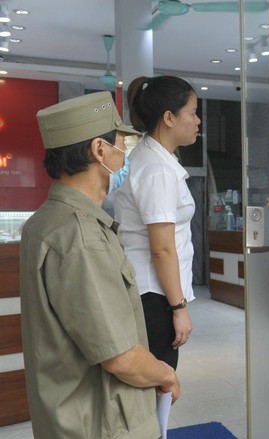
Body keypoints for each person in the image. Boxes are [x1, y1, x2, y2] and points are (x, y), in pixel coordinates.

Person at [21, 91, 180, 439]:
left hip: (69, 413)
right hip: (101, 422)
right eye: (121, 143)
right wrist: (165, 373)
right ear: (99, 150)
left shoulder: (46, 221)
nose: (124, 152)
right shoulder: (80, 235)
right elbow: (120, 358)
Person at [114, 76, 199, 369]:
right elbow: (162, 248)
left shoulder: (156, 159)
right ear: (169, 118)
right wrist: (178, 308)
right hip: (154, 296)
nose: (198, 121)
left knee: (155, 387)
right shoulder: (157, 169)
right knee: (159, 383)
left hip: (153, 292)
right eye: (192, 112)